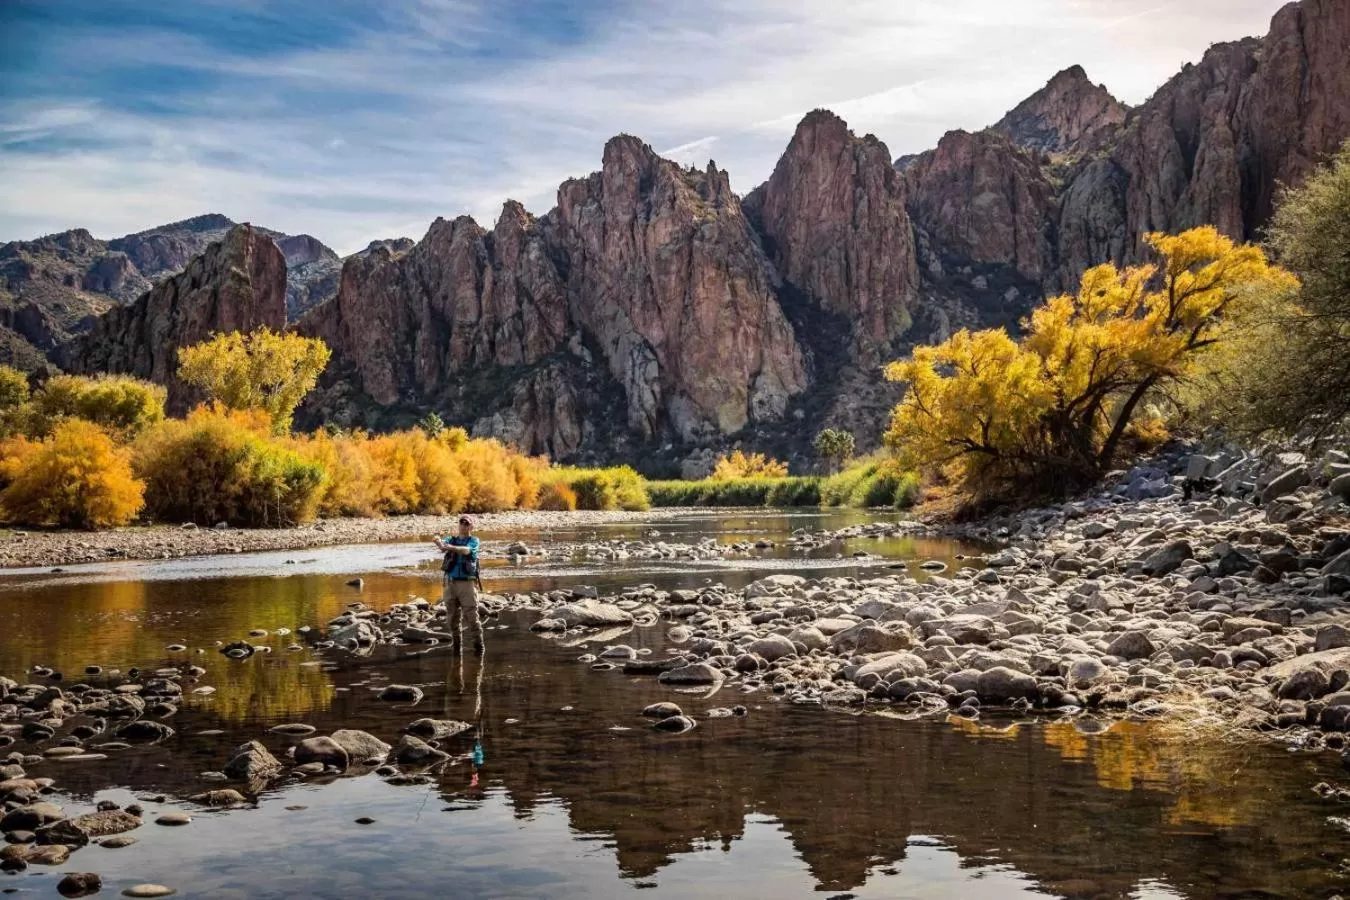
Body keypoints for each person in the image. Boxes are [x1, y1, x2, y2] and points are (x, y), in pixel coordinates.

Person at [435, 516, 482, 653]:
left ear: (471, 527)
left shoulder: (474, 541)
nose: (463, 525)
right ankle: (457, 648)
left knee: (472, 619)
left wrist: (450, 547)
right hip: (450, 583)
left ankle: (479, 649)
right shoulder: (451, 539)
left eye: (467, 524)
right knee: (452, 619)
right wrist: (438, 541)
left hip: (467, 585)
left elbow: (466, 550)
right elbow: (443, 545)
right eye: (461, 523)